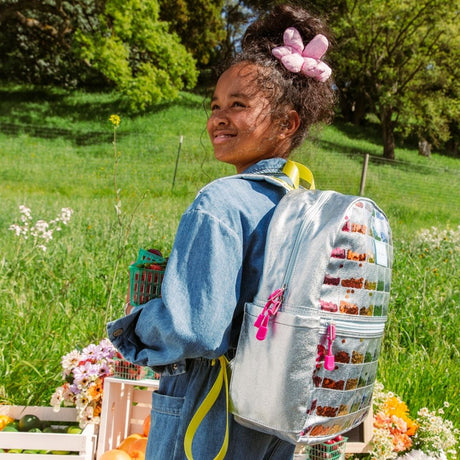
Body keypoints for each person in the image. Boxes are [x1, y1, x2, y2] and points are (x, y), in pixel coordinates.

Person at [107, 4, 335, 459]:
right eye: (215, 105)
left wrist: (136, 325)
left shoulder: (221, 201)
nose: (218, 117)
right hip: (272, 415)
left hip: (207, 416)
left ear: (287, 123)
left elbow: (195, 330)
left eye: (238, 105)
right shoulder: (303, 204)